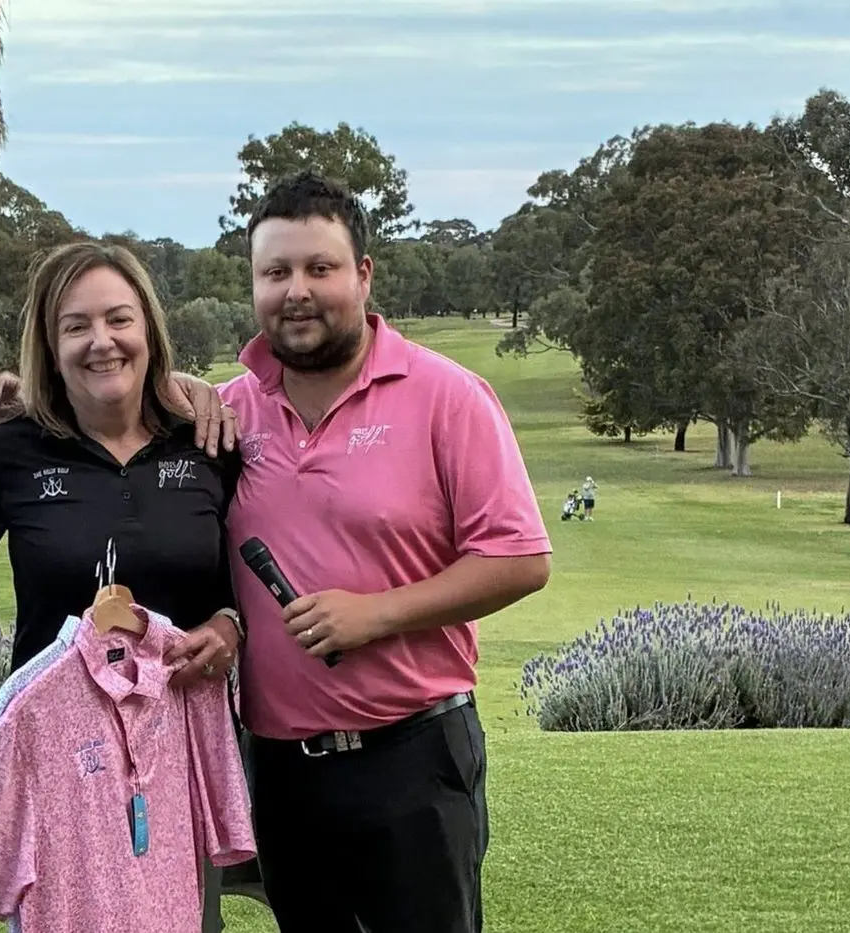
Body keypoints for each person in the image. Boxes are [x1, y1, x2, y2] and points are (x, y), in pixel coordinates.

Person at [206, 170, 552, 933]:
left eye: (319, 267)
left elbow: (521, 558)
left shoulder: (447, 396)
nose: (296, 291)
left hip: (415, 755)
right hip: (282, 767)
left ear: (363, 275)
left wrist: (377, 614)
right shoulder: (227, 412)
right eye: (275, 272)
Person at [0, 240, 246, 932]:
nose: (102, 341)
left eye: (119, 319)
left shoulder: (207, 443)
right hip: (58, 760)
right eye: (76, 326)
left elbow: (238, 583)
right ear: (48, 346)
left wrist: (230, 626)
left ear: (149, 328)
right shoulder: (6, 451)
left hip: (175, 755)